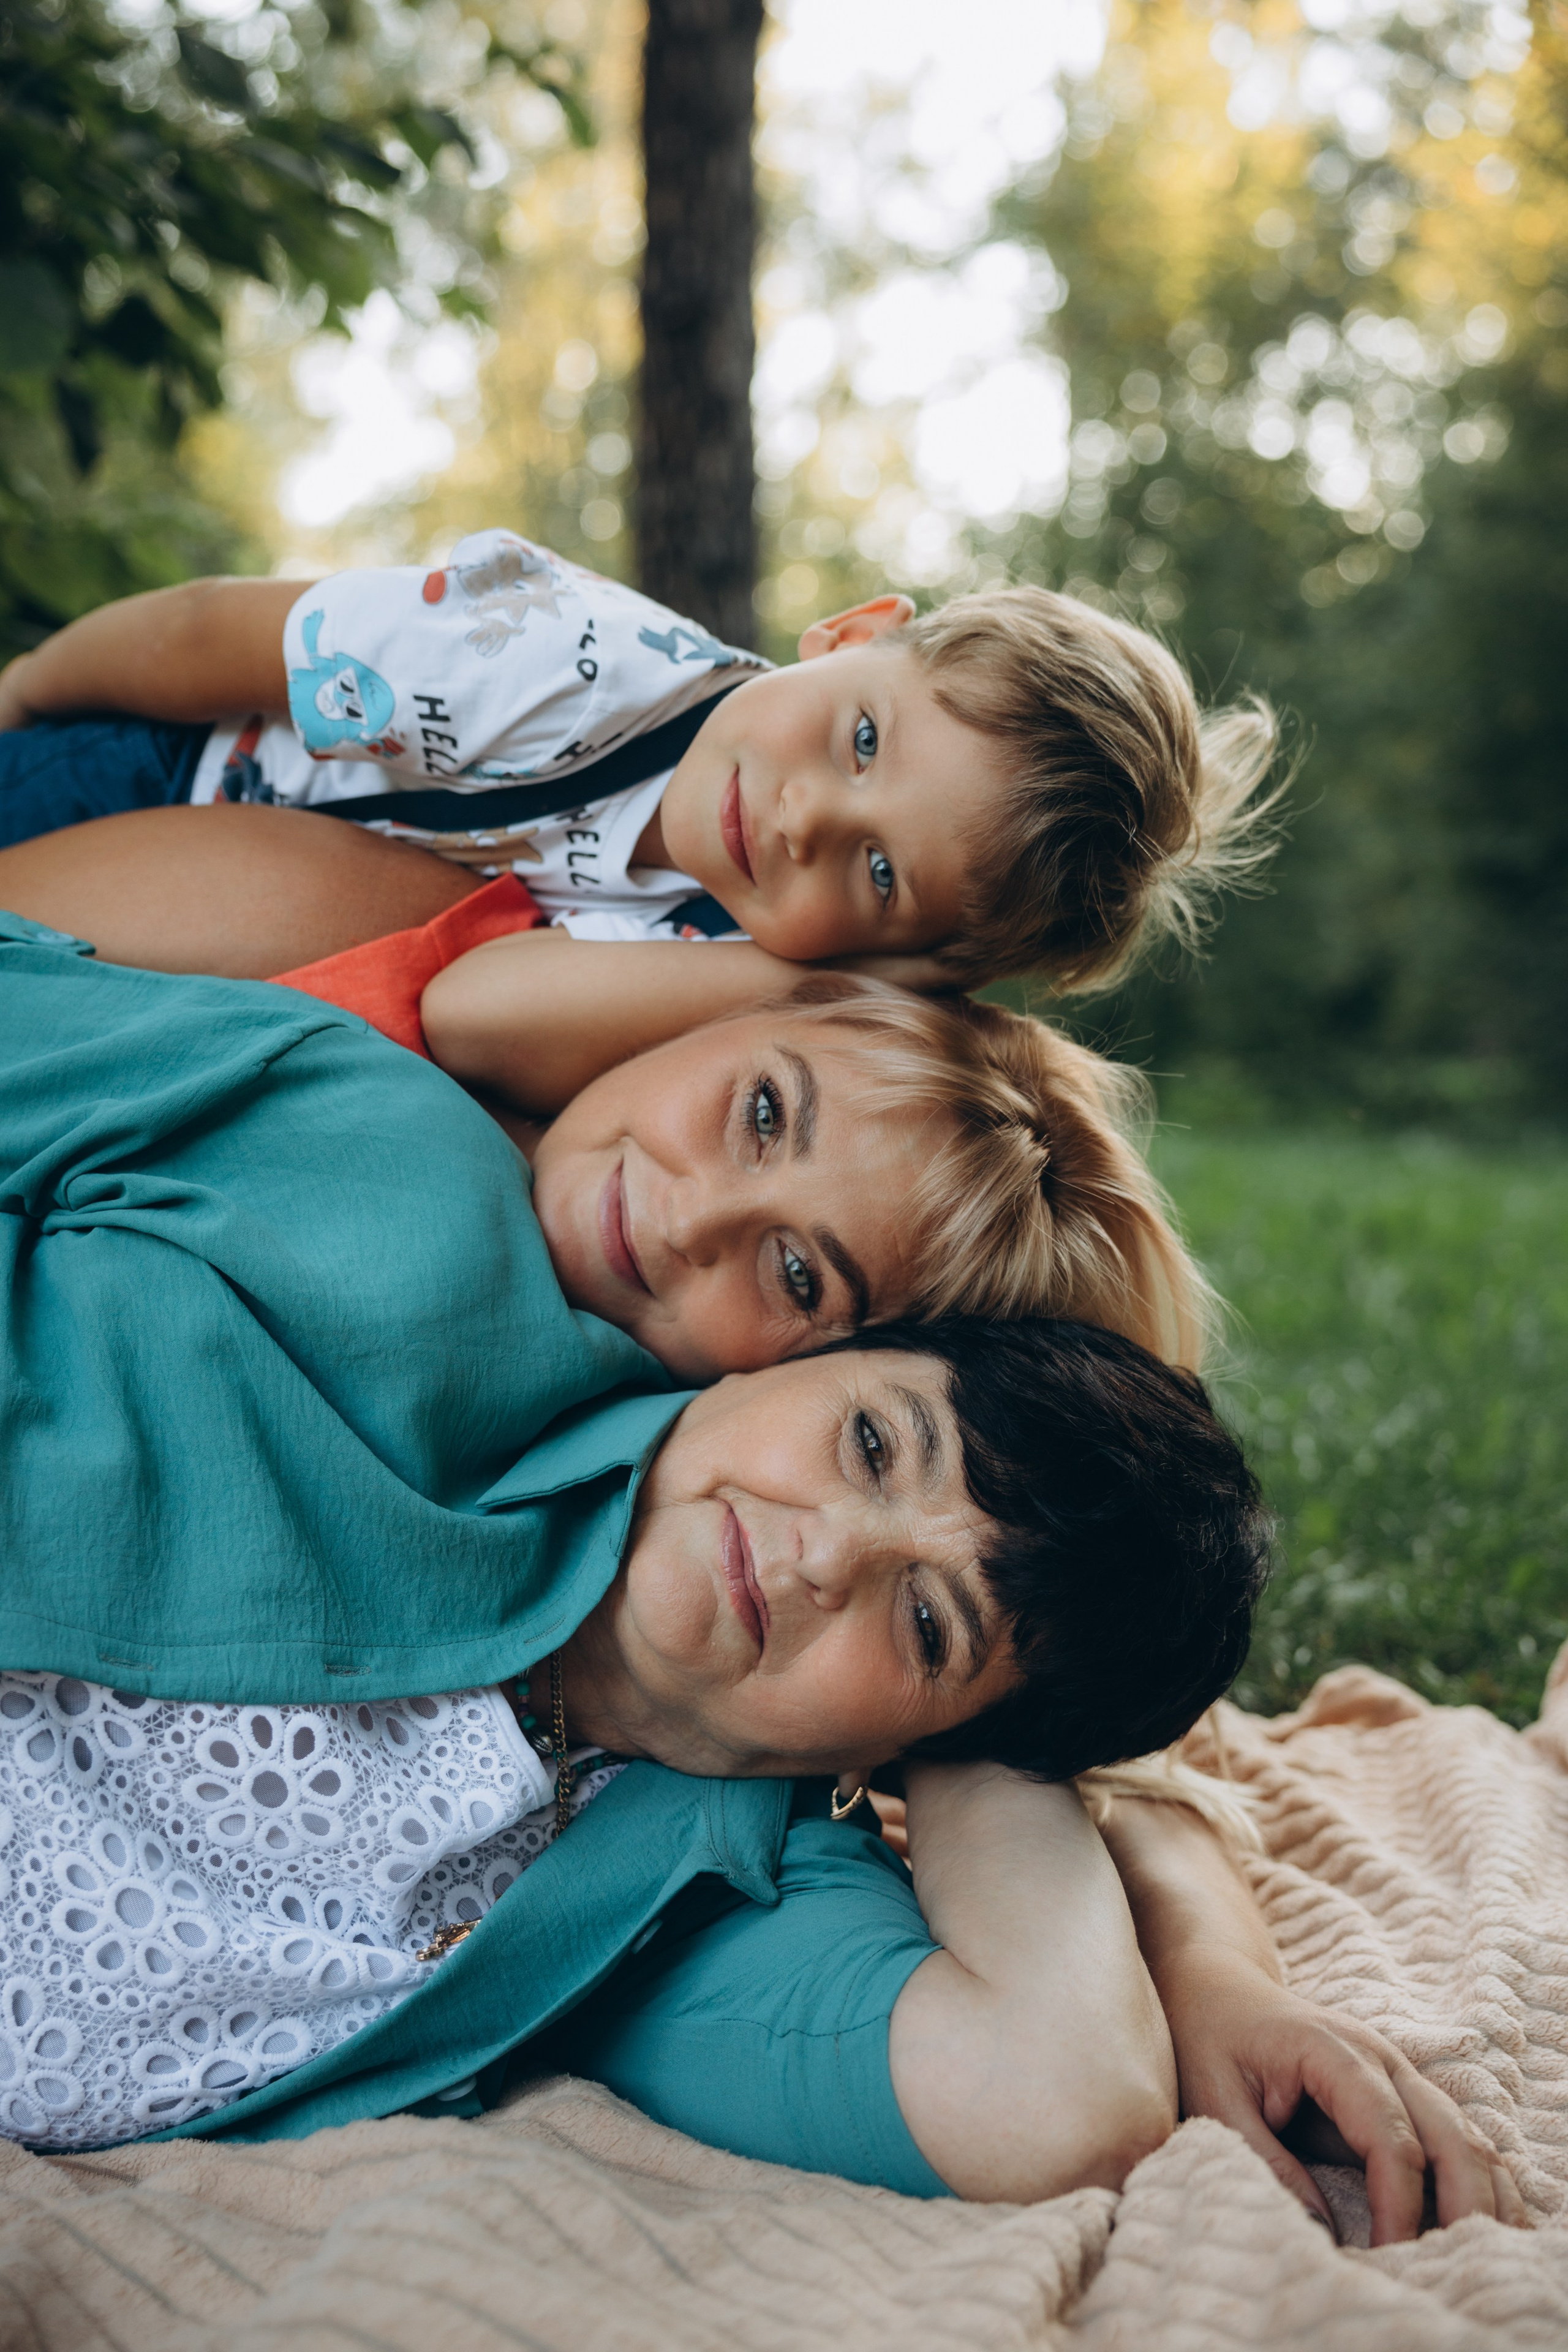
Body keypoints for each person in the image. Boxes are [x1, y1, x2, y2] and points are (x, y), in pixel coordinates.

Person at [0, 906, 1269, 2190]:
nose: (828, 1554)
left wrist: (1021, 1744)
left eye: (926, 1624)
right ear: (809, 1373)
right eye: (873, 1446)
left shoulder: (688, 1896)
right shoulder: (369, 1165)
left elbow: (1053, 2101)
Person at [0, 529, 1280, 990]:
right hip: (148, 767)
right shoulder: (544, 652)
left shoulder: (714, 961)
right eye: (863, 740)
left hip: (221, 944)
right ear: (851, 634)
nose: (802, 820)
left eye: (880, 873)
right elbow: (206, 633)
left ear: (904, 964)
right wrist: (25, 693)